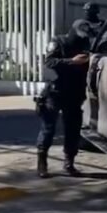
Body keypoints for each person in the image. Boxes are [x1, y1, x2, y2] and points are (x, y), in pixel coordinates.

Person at [35, 20, 92, 178]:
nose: (83, 36)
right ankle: (42, 163)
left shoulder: (85, 46)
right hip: (55, 92)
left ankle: (69, 163)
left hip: (74, 93)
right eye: (82, 32)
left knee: (73, 129)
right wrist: (72, 61)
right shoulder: (58, 41)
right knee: (48, 128)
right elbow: (49, 62)